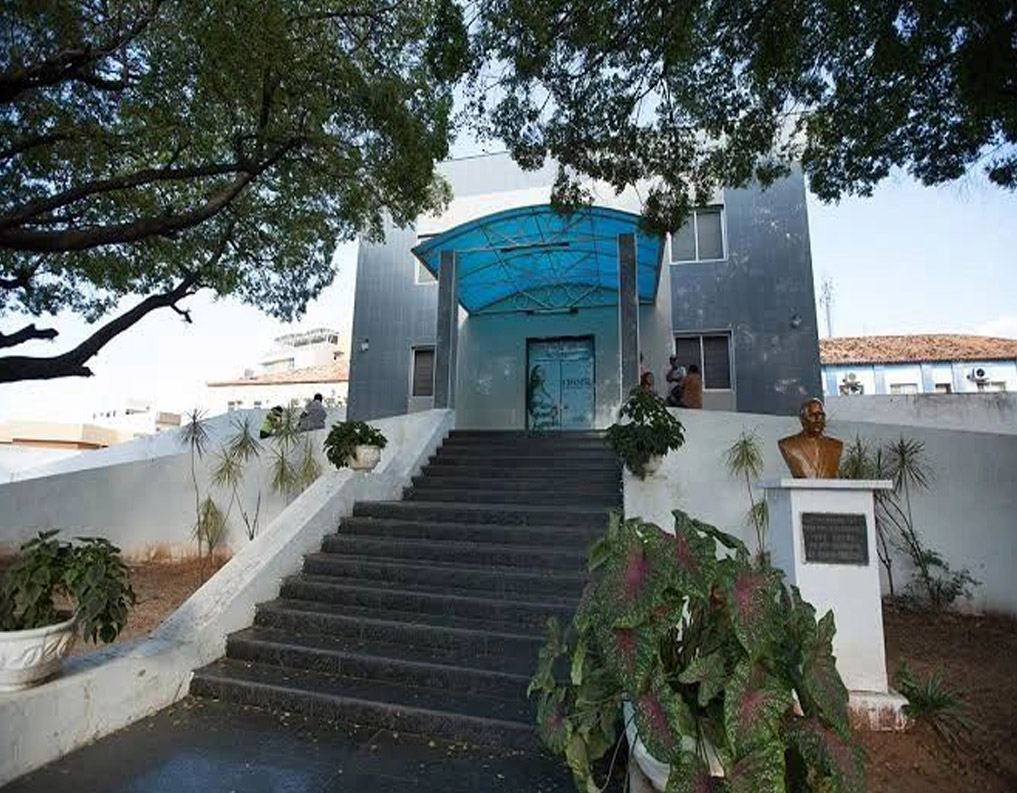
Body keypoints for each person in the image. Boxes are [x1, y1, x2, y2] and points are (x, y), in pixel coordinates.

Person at [777, 398, 844, 478]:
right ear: (802, 419)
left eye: (821, 415)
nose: (818, 419)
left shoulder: (836, 446)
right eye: (812, 415)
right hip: (802, 486)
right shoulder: (788, 445)